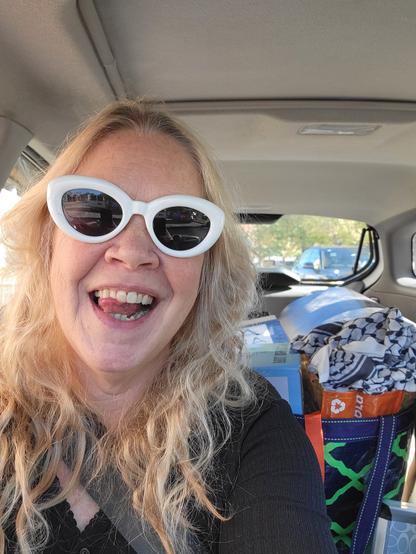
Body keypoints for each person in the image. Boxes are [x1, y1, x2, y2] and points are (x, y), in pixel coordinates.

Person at [0, 99, 336, 553]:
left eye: (178, 224)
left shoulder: (254, 428)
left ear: (206, 269)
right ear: (48, 240)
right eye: (94, 209)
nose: (132, 252)